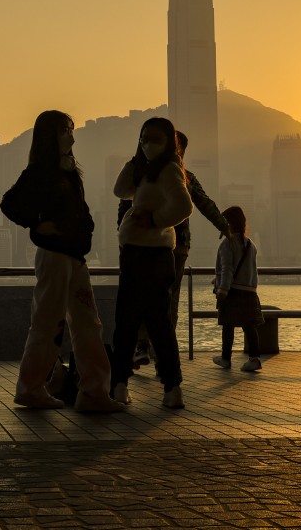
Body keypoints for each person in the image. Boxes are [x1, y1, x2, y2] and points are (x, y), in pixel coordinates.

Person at [0, 110, 124, 413]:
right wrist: (36, 224)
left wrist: (87, 228)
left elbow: (79, 209)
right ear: (49, 136)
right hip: (55, 257)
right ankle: (30, 388)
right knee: (47, 324)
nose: (72, 135)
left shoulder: (68, 171)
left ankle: (94, 392)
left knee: (88, 324)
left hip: (75, 257)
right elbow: (9, 203)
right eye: (65, 130)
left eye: (72, 129)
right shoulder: (39, 172)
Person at [119, 130, 230, 368]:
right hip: (173, 246)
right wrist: (225, 226)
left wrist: (123, 236)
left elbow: (125, 208)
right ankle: (162, 354)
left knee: (141, 296)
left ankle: (144, 348)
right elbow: (203, 202)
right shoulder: (183, 176)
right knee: (168, 299)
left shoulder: (145, 175)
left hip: (147, 245)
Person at [110, 117, 193, 408]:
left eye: (154, 138)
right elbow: (120, 190)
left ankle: (171, 387)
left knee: (152, 322)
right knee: (130, 322)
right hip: (135, 253)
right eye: (143, 138)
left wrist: (155, 220)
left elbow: (185, 206)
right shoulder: (146, 171)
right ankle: (121, 386)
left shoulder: (169, 170)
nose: (147, 144)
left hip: (152, 255)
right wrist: (133, 162)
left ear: (169, 141)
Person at [212, 205, 264, 372]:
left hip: (232, 292)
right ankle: (254, 358)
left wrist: (222, 289)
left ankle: (225, 358)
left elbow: (227, 268)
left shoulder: (227, 244)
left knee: (228, 326)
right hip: (249, 292)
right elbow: (252, 271)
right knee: (249, 327)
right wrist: (252, 288)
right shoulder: (252, 246)